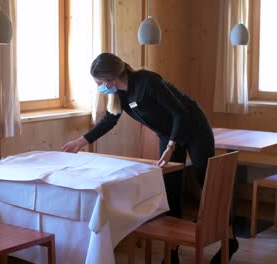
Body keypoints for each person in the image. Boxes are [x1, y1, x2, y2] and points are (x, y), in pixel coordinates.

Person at [61, 52, 238, 264]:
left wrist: (172, 145)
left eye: (99, 82)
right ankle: (172, 252)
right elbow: (109, 120)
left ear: (110, 79)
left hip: (193, 128)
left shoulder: (147, 81)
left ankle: (230, 239)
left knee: (208, 185)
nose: (100, 87)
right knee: (170, 190)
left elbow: (179, 112)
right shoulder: (119, 95)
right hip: (167, 134)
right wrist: (80, 142)